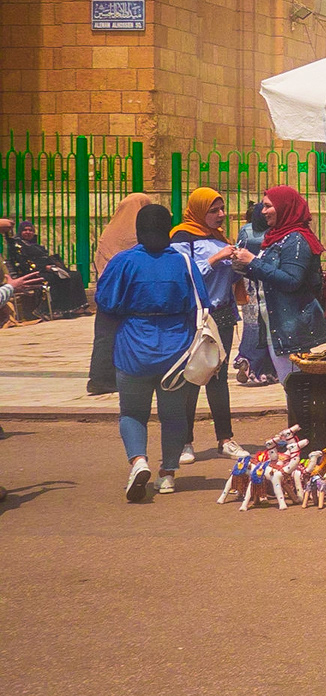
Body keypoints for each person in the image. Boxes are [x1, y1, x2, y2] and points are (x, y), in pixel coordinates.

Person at [93, 204, 209, 500]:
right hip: (176, 350)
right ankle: (168, 474)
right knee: (173, 415)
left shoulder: (124, 261)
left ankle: (138, 461)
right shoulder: (183, 261)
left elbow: (105, 301)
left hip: (133, 347)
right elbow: (201, 302)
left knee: (132, 413)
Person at [169, 188, 248, 462]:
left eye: (222, 209)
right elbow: (184, 275)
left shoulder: (219, 237)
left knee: (218, 378)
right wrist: (216, 258)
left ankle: (225, 439)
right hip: (197, 314)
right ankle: (184, 442)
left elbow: (231, 276)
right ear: (199, 210)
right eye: (213, 210)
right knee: (192, 376)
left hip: (223, 314)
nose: (221, 215)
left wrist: (238, 261)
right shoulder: (181, 237)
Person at [231, 186, 326, 382]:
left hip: (291, 324)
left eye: (268, 206)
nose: (263, 211)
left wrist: (253, 261)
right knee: (290, 385)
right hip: (276, 321)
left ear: (284, 207)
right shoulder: (277, 237)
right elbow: (268, 275)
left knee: (294, 386)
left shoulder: (295, 239)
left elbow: (291, 280)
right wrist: (240, 264)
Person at [86, 193, 158, 395]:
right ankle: (112, 377)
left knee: (104, 336)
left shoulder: (108, 234)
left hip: (107, 294)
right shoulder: (139, 237)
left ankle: (99, 377)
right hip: (131, 296)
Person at [5, 218, 86, 318]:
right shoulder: (17, 245)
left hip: (45, 270)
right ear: (20, 232)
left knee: (74, 275)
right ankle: (49, 310)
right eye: (25, 230)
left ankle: (76, 307)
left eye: (30, 230)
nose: (28, 232)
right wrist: (44, 267)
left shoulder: (35, 245)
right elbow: (24, 263)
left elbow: (45, 258)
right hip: (31, 273)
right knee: (59, 278)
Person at [232, 201, 276, 385]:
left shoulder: (245, 230)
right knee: (268, 324)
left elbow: (238, 250)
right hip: (269, 282)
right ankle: (267, 369)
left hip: (249, 281)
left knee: (252, 324)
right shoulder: (274, 231)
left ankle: (248, 361)